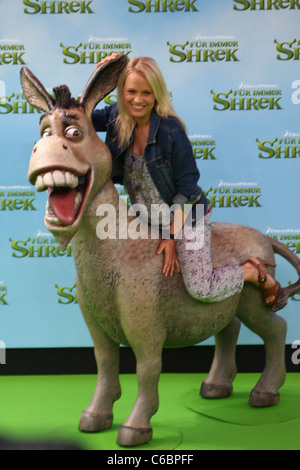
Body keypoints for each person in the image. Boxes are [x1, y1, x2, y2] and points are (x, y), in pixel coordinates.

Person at [92, 53, 280, 307]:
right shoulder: (115, 117)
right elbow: (77, 119)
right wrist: (99, 78)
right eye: (131, 92)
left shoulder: (171, 131)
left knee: (201, 286)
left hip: (188, 215)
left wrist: (170, 236)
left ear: (157, 93)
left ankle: (250, 272)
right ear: (121, 92)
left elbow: (187, 190)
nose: (138, 100)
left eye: (146, 93)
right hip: (145, 217)